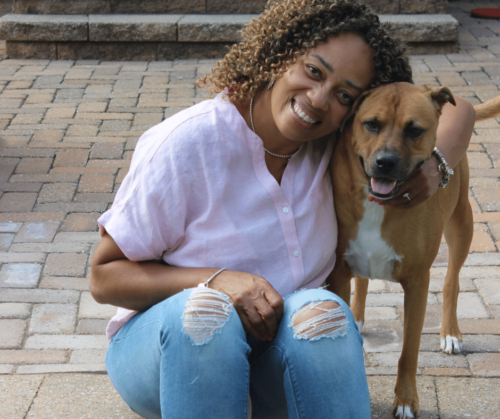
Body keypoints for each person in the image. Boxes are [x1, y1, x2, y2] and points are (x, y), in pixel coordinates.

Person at [89, 0, 476, 418]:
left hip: (271, 356)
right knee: (206, 312)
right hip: (166, 355)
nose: (318, 99)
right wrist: (218, 280)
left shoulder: (331, 144)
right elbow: (104, 276)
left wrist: (436, 166)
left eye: (343, 94)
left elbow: (463, 111)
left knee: (325, 315)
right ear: (280, 53)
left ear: (353, 111)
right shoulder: (187, 144)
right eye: (313, 71)